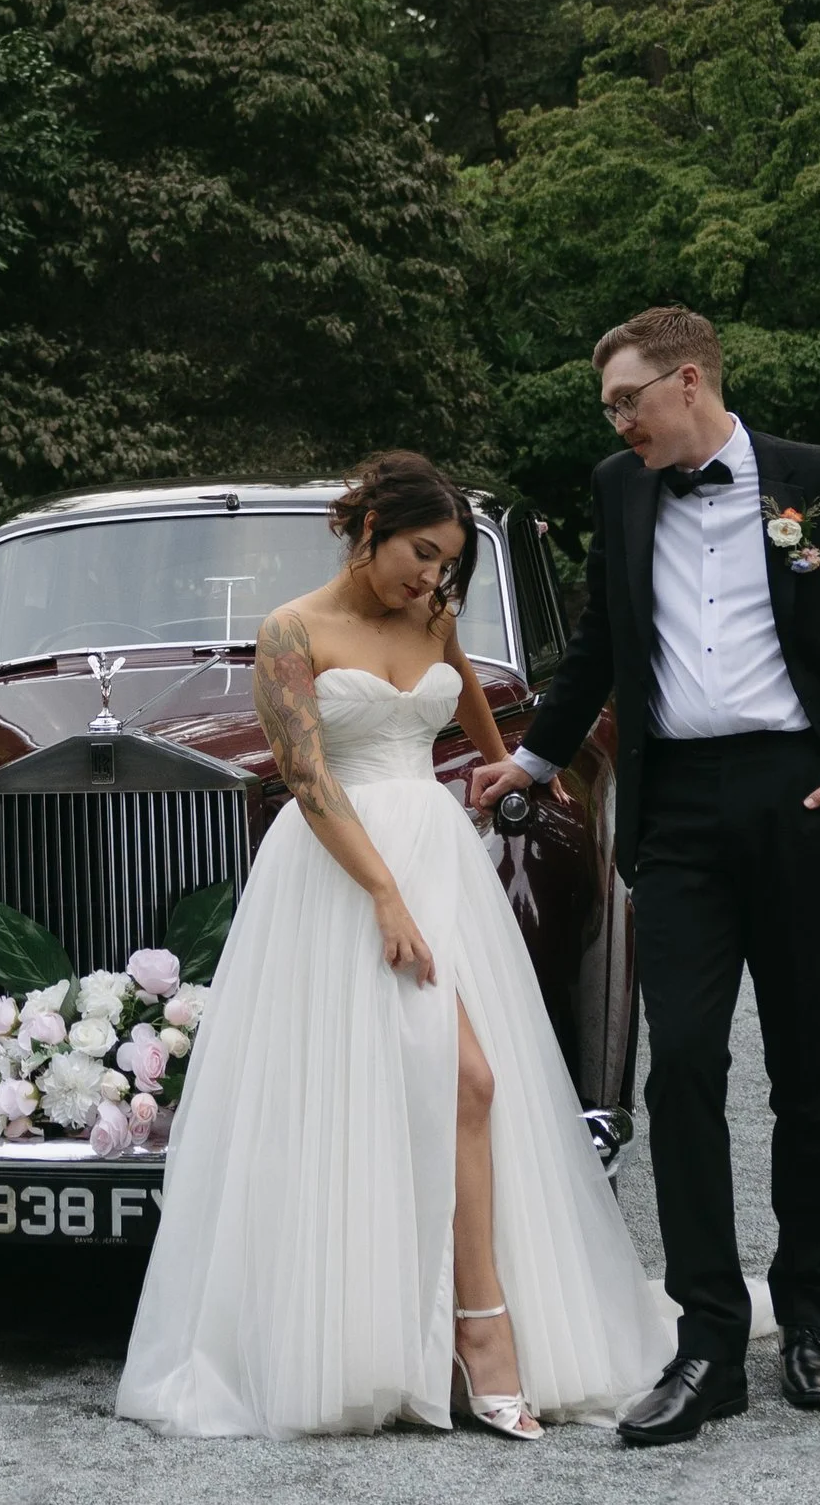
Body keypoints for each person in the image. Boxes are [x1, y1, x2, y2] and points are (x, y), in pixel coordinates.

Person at [117, 450, 669, 1439]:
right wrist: (382, 892)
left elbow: (457, 695)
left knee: (463, 1084)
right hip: (341, 872)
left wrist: (506, 760)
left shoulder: (434, 618)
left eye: (447, 562)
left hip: (437, 858)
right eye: (421, 553)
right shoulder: (291, 630)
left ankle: (475, 1324)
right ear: (369, 530)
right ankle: (451, 1331)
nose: (431, 577)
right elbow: (306, 775)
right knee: (439, 1083)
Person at [470, 307, 820, 1445]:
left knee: (803, 1058)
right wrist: (528, 757)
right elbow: (598, 643)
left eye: (628, 399)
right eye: (608, 409)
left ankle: (810, 1314)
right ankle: (708, 1343)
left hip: (802, 798)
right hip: (676, 809)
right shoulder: (619, 488)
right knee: (679, 1060)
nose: (616, 420)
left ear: (689, 380)